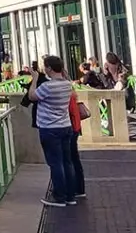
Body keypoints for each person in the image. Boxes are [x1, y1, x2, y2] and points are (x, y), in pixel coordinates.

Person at [26, 55, 76, 208]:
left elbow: (32, 96)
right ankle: (70, 196)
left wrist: (34, 79)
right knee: (67, 162)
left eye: (45, 66)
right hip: (65, 126)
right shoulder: (67, 84)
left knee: (55, 163)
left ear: (49, 68)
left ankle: (59, 197)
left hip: (50, 128)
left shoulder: (47, 87)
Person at [67, 91, 86, 200]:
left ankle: (74, 188)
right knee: (74, 159)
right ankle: (79, 188)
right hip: (75, 127)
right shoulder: (71, 93)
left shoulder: (67, 95)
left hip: (71, 127)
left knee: (71, 159)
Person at [20, 61, 48, 128]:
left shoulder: (40, 79)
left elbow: (31, 97)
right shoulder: (43, 79)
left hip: (42, 117)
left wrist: (34, 78)